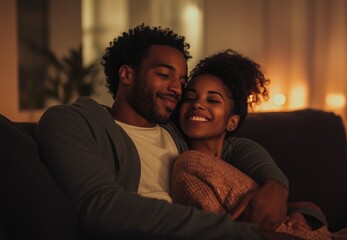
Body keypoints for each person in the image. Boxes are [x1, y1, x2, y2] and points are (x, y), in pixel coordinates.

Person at [36, 23, 294, 239]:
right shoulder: (73, 121)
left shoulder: (177, 132)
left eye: (182, 82)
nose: (177, 89)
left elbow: (234, 147)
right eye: (164, 74)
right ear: (126, 74)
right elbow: (101, 207)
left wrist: (276, 186)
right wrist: (239, 233)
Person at [170, 49, 329, 239]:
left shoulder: (240, 148)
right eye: (190, 97)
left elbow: (275, 184)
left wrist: (304, 214)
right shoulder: (175, 147)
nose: (198, 104)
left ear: (232, 122)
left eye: (212, 100)